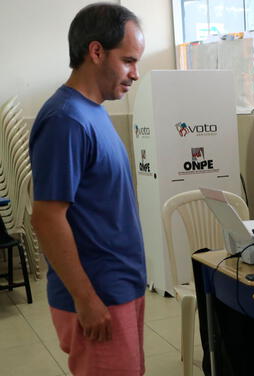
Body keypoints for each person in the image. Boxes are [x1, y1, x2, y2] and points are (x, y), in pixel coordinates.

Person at [29, 4, 146, 375]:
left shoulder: (92, 111)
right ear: (95, 52)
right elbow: (47, 218)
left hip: (119, 287)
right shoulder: (66, 120)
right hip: (99, 298)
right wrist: (87, 299)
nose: (135, 74)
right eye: (128, 60)